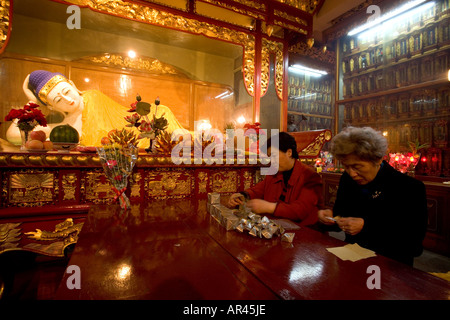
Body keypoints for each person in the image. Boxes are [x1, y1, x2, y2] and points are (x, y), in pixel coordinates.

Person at [318, 126, 428, 266]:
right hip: (351, 262)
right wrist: (330, 219)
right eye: (346, 166)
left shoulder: (409, 188)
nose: (352, 173)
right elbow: (342, 216)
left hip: (391, 268)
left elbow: (413, 244)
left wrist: (366, 226)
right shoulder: (347, 179)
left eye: (357, 166)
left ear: (378, 159)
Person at [6, 70, 186, 146]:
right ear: (51, 106)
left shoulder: (91, 96)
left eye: (67, 91)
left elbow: (115, 123)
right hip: (120, 152)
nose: (67, 99)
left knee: (176, 129)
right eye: (58, 100)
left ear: (72, 84)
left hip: (147, 124)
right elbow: (15, 137)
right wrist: (31, 99)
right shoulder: (64, 126)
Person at [228, 131, 323, 226]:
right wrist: (242, 196)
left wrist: (269, 207)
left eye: (274, 156)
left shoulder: (309, 176)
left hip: (305, 232)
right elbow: (258, 190)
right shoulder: (274, 173)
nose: (271, 161)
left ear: (289, 152)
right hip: (278, 228)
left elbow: (301, 210)